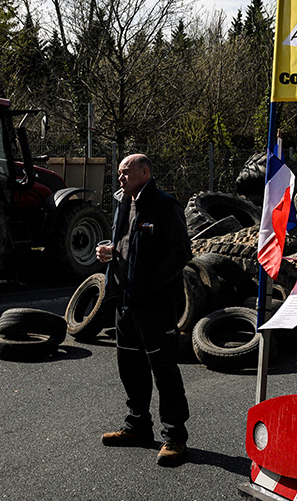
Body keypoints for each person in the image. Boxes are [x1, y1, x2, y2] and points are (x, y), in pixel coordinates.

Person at [97, 153, 192, 467]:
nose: (120, 178)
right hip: (125, 302)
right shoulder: (125, 203)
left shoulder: (165, 205)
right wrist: (111, 252)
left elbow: (180, 252)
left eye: (126, 172)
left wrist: (151, 285)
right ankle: (137, 426)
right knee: (130, 367)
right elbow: (127, 243)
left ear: (145, 172)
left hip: (155, 305)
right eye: (119, 173)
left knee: (164, 370)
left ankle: (175, 437)